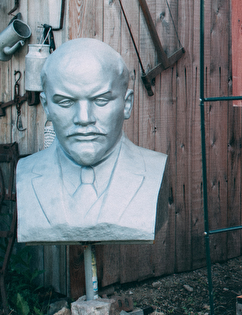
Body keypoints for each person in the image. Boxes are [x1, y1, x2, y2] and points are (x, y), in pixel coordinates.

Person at [16, 38, 168, 244]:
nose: (84, 118)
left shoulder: (153, 169)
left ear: (127, 104)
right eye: (65, 102)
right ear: (46, 107)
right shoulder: (26, 172)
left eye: (101, 100)